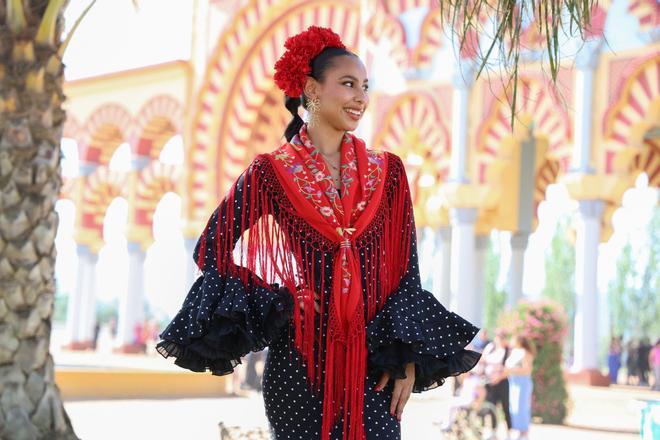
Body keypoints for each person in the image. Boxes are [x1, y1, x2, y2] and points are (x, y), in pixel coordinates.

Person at [155, 26, 480, 440]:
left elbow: (405, 274)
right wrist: (279, 304)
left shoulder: (389, 173)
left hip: (376, 362)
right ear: (311, 89)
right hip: (298, 364)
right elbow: (211, 249)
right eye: (347, 84)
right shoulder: (270, 172)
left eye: (365, 85)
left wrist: (406, 360)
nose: (361, 96)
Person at [504, 335, 535, 440]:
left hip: (522, 383)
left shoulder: (525, 352)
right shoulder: (514, 352)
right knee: (513, 407)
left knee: (521, 407)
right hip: (513, 383)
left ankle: (524, 432)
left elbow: (527, 370)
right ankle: (518, 430)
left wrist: (512, 370)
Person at [481, 329, 512, 431]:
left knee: (505, 407)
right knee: (491, 407)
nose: (499, 339)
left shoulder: (508, 350)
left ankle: (509, 430)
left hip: (502, 382)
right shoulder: (490, 347)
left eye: (501, 337)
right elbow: (482, 359)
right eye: (498, 336)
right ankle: (493, 431)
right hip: (489, 382)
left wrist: (498, 378)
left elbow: (508, 369)